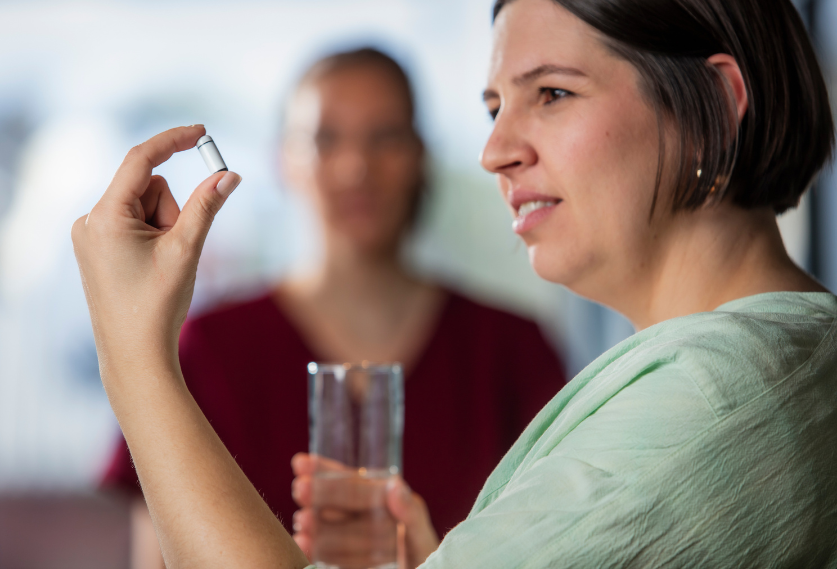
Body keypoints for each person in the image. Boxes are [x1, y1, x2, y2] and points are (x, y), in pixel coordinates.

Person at [71, 0, 837, 566]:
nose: (496, 151)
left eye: (554, 94)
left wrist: (131, 350)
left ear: (712, 99)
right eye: (494, 107)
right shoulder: (780, 364)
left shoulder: (717, 396)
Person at [100, 48, 565, 566]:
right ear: (283, 159)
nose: (355, 167)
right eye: (326, 138)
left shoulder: (512, 351)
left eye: (384, 137)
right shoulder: (207, 349)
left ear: (419, 156)